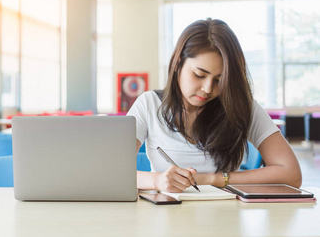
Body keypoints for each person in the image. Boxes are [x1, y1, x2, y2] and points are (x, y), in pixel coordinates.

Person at [128, 18, 302, 193]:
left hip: (225, 214)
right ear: (178, 62)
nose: (207, 89)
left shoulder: (241, 106)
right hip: (165, 212)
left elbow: (292, 174)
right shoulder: (148, 104)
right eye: (199, 75)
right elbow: (111, 172)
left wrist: (213, 179)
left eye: (220, 80)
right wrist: (157, 180)